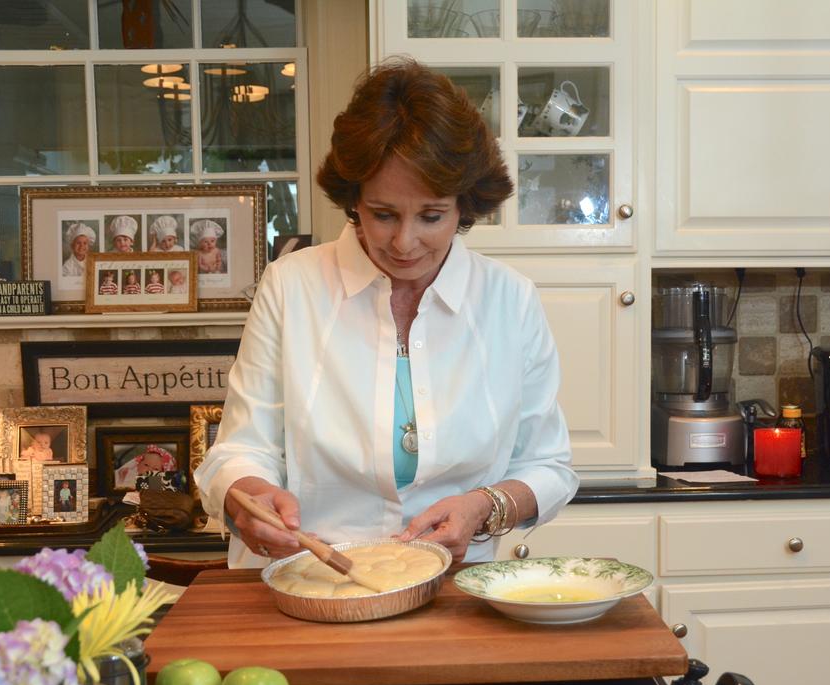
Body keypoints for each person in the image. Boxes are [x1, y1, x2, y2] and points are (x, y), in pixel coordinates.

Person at [194, 58, 577, 568]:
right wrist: (250, 496)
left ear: (466, 205)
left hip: (453, 586)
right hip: (304, 580)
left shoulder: (511, 300)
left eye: (432, 216)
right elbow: (238, 449)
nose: (405, 242)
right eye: (383, 214)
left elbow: (548, 466)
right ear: (353, 200)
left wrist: (484, 507)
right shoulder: (291, 286)